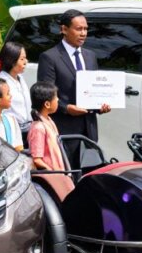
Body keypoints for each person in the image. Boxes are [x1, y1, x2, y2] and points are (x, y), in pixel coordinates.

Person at [37, 9, 110, 165]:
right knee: (69, 173)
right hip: (65, 128)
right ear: (64, 29)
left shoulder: (90, 56)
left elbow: (93, 89)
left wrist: (100, 106)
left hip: (88, 127)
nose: (83, 33)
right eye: (79, 29)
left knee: (90, 171)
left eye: (85, 29)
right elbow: (45, 96)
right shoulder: (50, 57)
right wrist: (66, 108)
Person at [27, 81, 75, 200]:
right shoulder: (38, 127)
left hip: (60, 175)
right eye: (56, 97)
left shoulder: (49, 121)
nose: (58, 100)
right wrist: (53, 174)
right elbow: (37, 159)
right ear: (47, 104)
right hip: (52, 179)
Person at [0, 42, 32, 135]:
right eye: (22, 59)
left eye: (25, 58)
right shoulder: (0, 82)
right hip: (12, 132)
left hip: (27, 129)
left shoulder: (20, 78)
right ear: (11, 61)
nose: (26, 62)